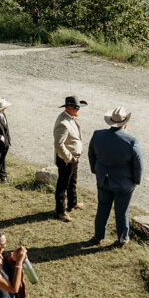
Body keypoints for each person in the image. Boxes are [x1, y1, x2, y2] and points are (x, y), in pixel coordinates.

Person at [88, 106, 144, 247]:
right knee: (122, 212)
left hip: (104, 179)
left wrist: (95, 171)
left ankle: (98, 236)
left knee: (102, 208)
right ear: (125, 123)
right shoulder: (131, 141)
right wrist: (136, 180)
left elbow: (91, 155)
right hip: (124, 183)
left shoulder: (97, 135)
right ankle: (122, 239)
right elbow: (138, 164)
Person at [53, 94, 87, 222]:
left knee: (72, 181)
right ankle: (60, 211)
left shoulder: (70, 117)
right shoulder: (63, 123)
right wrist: (68, 158)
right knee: (62, 185)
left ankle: (73, 203)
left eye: (79, 107)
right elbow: (58, 144)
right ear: (68, 108)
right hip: (66, 160)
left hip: (73, 158)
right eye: (76, 107)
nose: (79, 109)